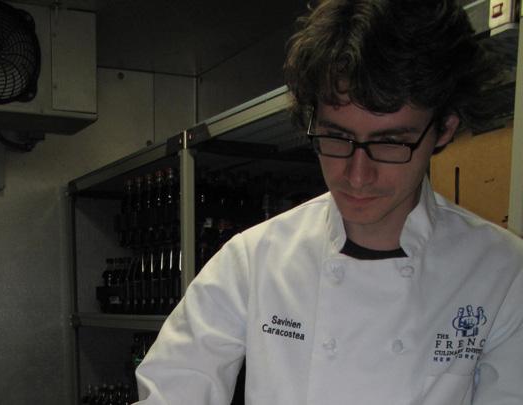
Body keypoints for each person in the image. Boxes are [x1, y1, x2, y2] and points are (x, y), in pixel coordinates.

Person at [134, 0, 523, 404]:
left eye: (390, 143)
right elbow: (174, 389)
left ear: (443, 129)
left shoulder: (503, 273)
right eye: (336, 138)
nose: (357, 175)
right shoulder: (255, 260)